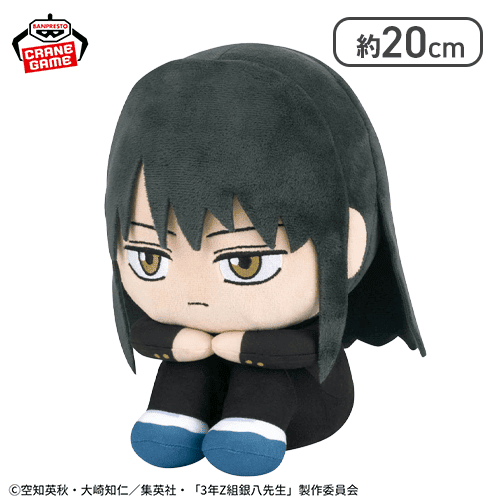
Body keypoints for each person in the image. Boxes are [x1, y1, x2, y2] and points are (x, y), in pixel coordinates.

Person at [105, 43, 425, 476]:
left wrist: (238, 346)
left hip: (305, 401)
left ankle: (254, 431)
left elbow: (301, 349)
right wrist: (185, 344)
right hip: (206, 382)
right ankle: (173, 423)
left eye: (246, 263)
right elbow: (149, 337)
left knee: (262, 377)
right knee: (185, 371)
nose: (197, 295)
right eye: (149, 259)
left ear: (349, 238)